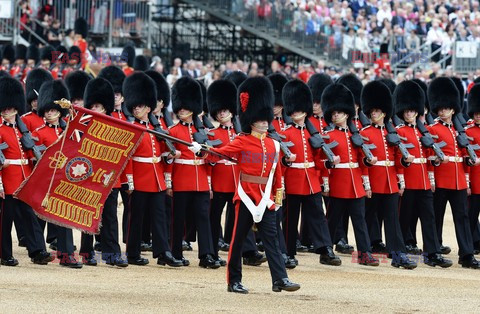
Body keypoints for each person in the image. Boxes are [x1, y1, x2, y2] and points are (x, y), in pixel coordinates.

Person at [201, 76, 300, 294]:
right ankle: (233, 281)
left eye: (267, 119)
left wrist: (276, 199)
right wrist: (200, 149)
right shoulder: (241, 140)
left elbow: (278, 174)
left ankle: (280, 279)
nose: (266, 122)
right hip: (246, 197)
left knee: (272, 241)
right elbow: (219, 154)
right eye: (261, 119)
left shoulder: (274, 144)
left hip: (266, 199)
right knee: (237, 242)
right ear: (251, 119)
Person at [123, 72, 182, 267]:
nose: (136, 109)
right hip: (140, 180)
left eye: (139, 106)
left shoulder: (156, 128)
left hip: (156, 179)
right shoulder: (132, 129)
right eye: (134, 106)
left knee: (159, 218)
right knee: (136, 219)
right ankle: (133, 253)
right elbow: (129, 157)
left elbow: (162, 156)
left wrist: (170, 157)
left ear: (148, 107)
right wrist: (130, 181)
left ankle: (163, 252)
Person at [281, 79, 341, 266]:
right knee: (291, 219)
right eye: (294, 109)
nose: (296, 112)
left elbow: (316, 160)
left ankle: (325, 249)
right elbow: (280, 162)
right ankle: (288, 252)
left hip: (311, 180)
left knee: (318, 216)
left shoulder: (312, 134)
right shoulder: (285, 133)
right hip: (293, 180)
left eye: (299, 109)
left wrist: (328, 164)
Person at [394, 80, 452, 268]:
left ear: (418, 111)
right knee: (404, 219)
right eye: (407, 111)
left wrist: (434, 164)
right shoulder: (398, 132)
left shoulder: (423, 132)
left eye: (412, 111)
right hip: (409, 181)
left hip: (424, 182)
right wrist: (401, 180)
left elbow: (427, 157)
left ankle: (432, 253)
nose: (409, 114)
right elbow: (397, 158)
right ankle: (399, 253)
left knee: (429, 218)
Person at [360, 80, 417, 269]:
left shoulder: (392, 132)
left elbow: (396, 158)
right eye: (372, 111)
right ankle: (365, 251)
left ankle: (398, 254)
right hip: (374, 181)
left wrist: (400, 178)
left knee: (392, 220)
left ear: (384, 112)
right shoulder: (364, 133)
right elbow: (363, 160)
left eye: (376, 111)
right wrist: (366, 184)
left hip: (390, 181)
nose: (373, 114)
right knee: (369, 217)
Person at [321, 83, 379, 267]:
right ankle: (326, 251)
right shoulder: (328, 135)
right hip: (338, 182)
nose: (335, 115)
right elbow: (323, 162)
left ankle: (364, 253)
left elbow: (362, 162)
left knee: (359, 221)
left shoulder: (357, 135)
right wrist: (326, 185)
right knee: (332, 220)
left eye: (338, 112)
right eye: (333, 113)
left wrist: (366, 183)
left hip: (356, 183)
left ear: (347, 114)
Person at [0, 77, 53, 266]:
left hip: (24, 179)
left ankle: (37, 251)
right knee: (5, 221)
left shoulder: (21, 129)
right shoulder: (0, 129)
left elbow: (31, 152)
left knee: (30, 217)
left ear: (15, 108)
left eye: (10, 108)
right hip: (7, 180)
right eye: (4, 109)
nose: (7, 111)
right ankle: (5, 254)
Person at [427, 77, 480, 269]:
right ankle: (433, 251)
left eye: (446, 108)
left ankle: (466, 254)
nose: (443, 111)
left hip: (458, 180)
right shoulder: (432, 129)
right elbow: (430, 156)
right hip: (441, 179)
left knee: (463, 218)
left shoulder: (460, 130)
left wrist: (466, 178)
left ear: (453, 108)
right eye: (440, 109)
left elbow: (465, 156)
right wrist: (432, 177)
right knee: (436, 217)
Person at [167, 76, 219, 268]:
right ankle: (176, 253)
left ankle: (206, 255)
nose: (181, 111)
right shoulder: (172, 131)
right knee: (178, 219)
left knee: (203, 219)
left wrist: (205, 154)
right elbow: (169, 159)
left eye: (185, 107)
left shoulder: (204, 131)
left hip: (201, 182)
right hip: (181, 180)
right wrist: (169, 183)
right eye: (179, 107)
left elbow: (212, 160)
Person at [78, 78, 129, 268]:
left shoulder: (116, 123)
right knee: (89, 215)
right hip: (89, 176)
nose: (95, 109)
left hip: (109, 178)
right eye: (93, 105)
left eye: (98, 106)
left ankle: (112, 254)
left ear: (106, 107)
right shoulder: (83, 124)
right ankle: (86, 251)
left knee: (110, 217)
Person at [34, 79, 83, 268]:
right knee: (39, 218)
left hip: (63, 180)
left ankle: (66, 254)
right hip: (46, 180)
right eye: (47, 111)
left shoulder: (68, 130)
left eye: (53, 111)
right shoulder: (38, 133)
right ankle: (38, 250)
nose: (50, 114)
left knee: (64, 216)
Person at [466, 84, 480, 254]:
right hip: (475, 179)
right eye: (475, 114)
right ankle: (470, 243)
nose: (477, 116)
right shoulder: (468, 131)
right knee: (471, 215)